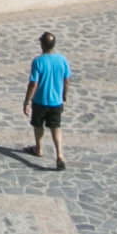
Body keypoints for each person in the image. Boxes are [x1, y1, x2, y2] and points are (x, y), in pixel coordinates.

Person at [24, 31, 72, 170]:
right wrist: (64, 94)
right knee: (56, 127)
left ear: (42, 45)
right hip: (56, 101)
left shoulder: (38, 61)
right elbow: (67, 80)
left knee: (38, 126)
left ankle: (38, 148)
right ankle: (59, 155)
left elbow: (33, 84)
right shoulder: (62, 60)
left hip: (40, 101)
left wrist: (27, 101)